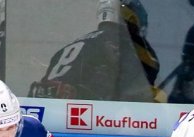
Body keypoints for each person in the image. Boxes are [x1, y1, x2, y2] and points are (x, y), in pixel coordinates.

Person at [27, 0, 163, 102]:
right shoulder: (121, 42)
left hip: (53, 110)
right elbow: (146, 74)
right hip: (85, 113)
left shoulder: (70, 46)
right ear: (131, 17)